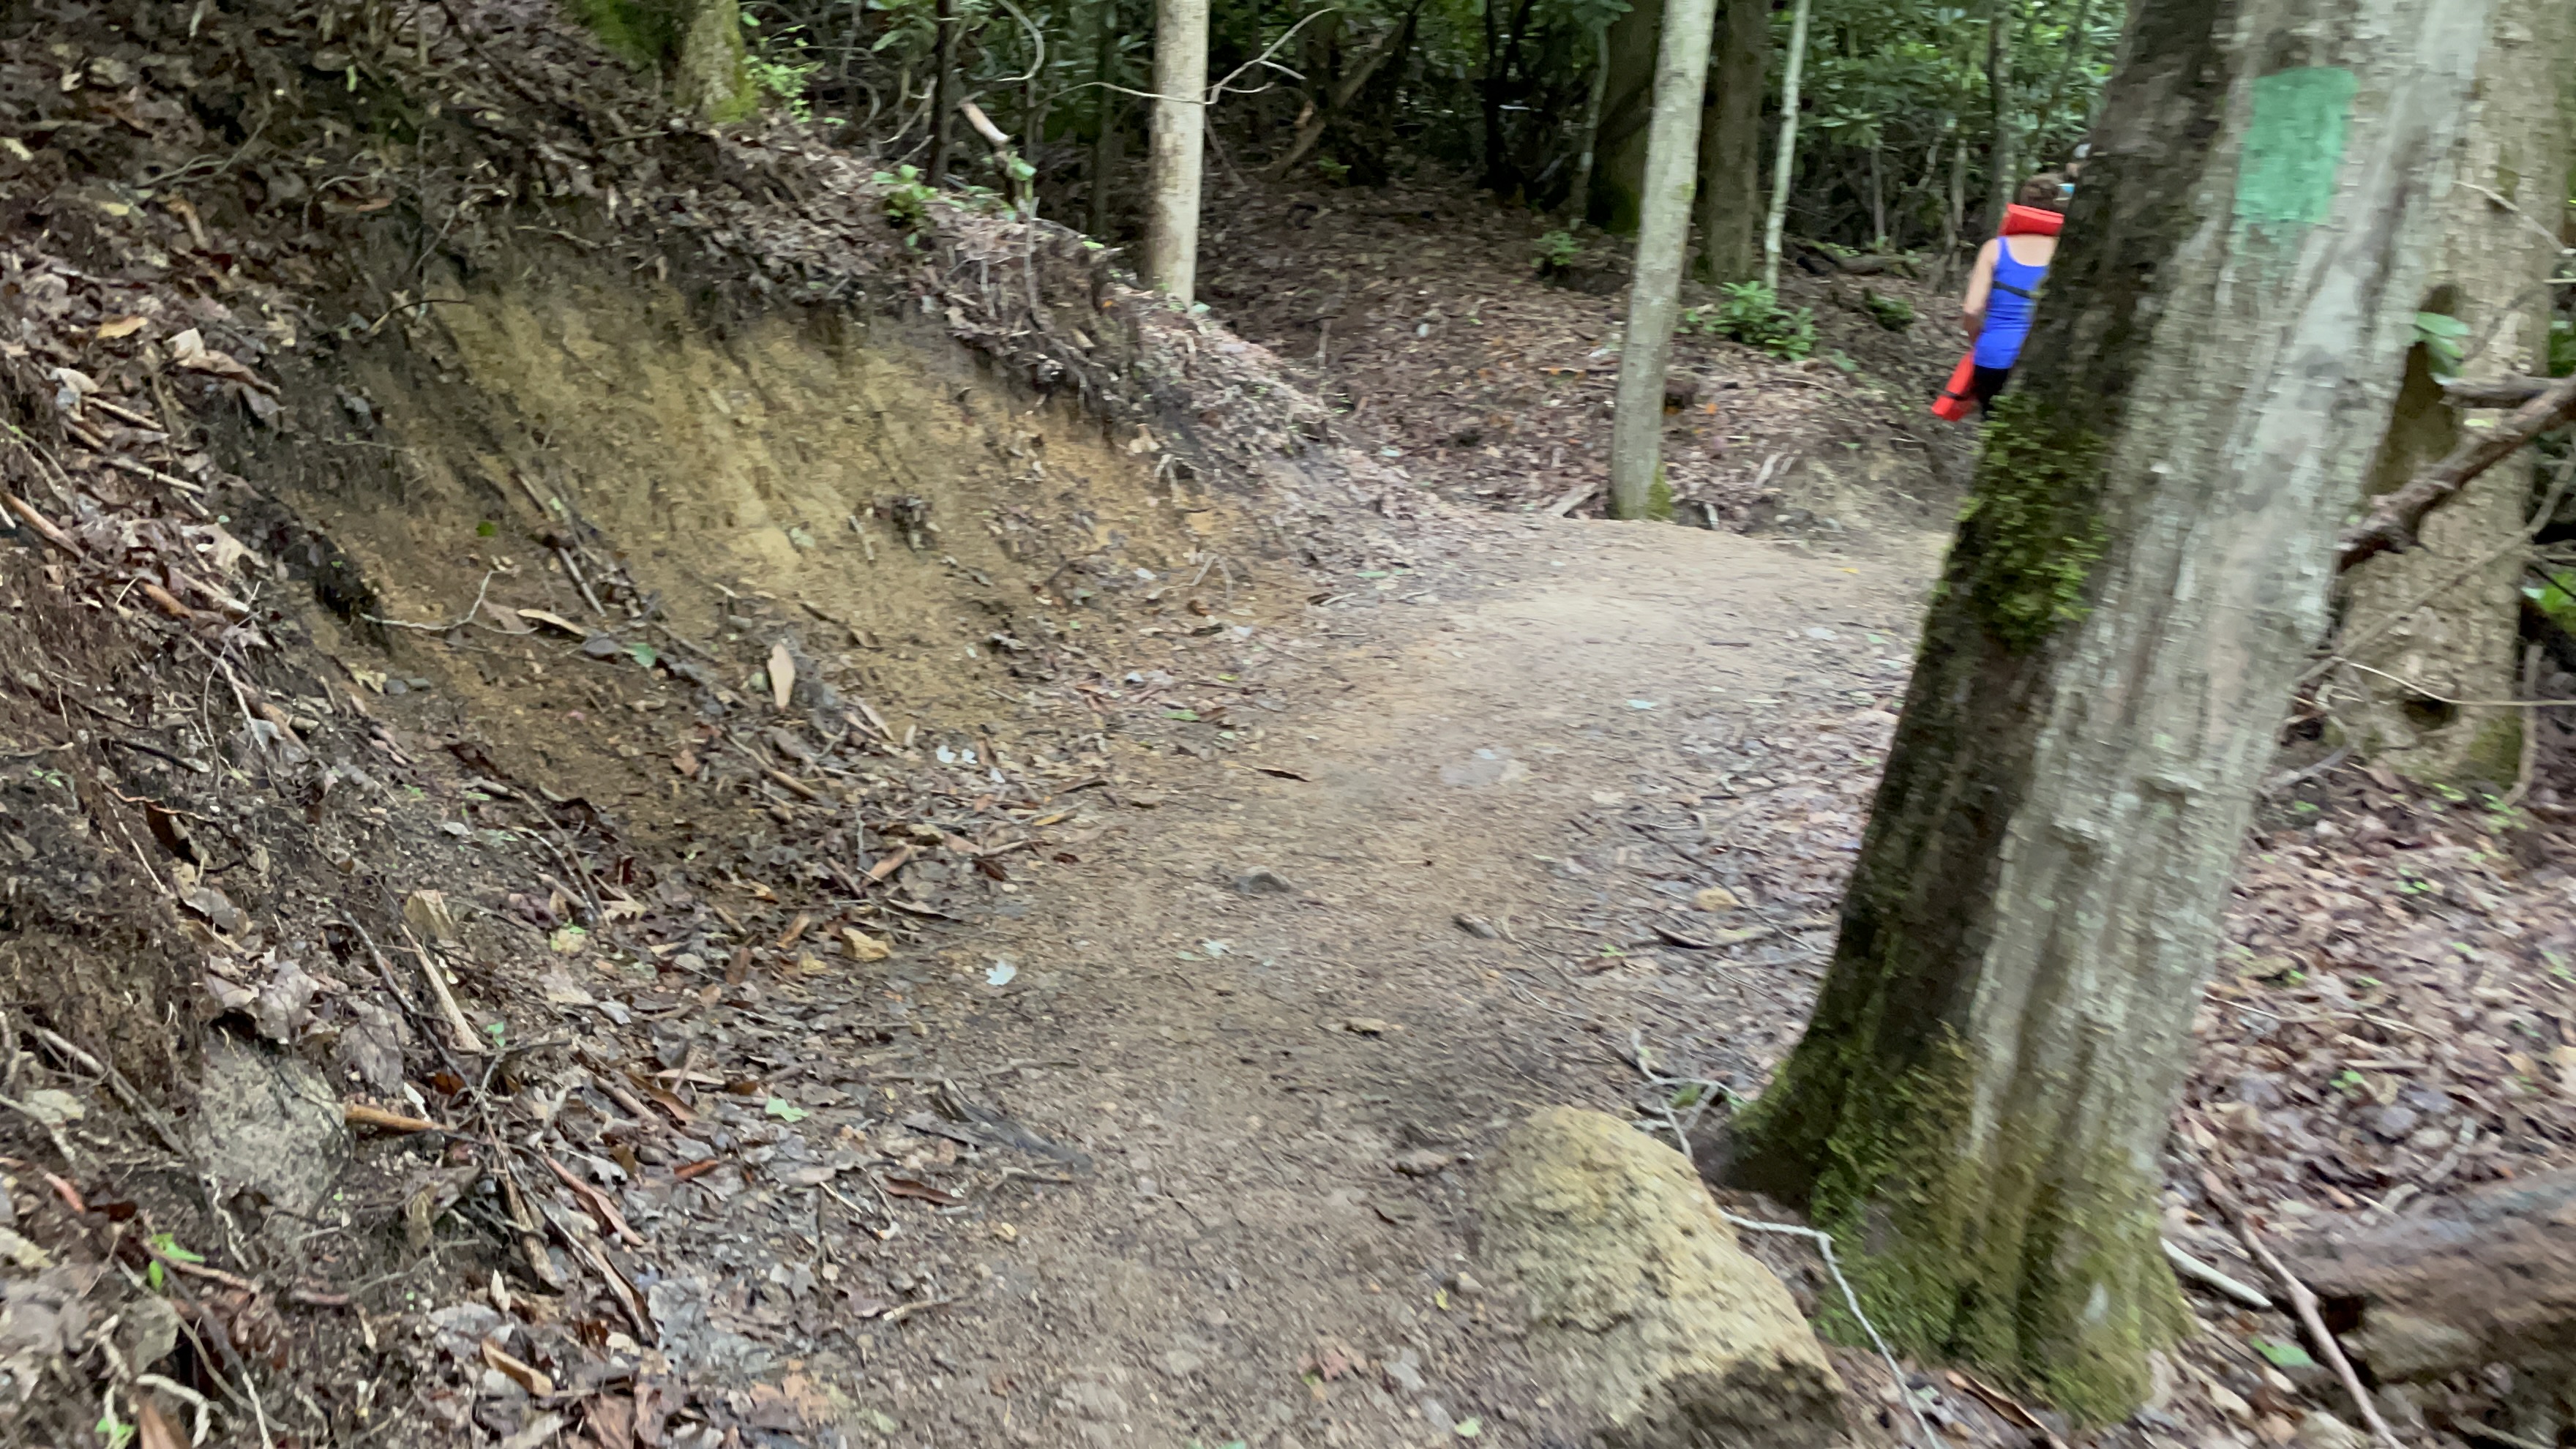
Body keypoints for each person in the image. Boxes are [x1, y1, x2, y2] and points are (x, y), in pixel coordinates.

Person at [1956, 173, 2070, 414]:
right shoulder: (2068, 254)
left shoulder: (1995, 248)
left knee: (1992, 425)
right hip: (2043, 362)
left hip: (1993, 357)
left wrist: (1982, 341)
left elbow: (1971, 310)